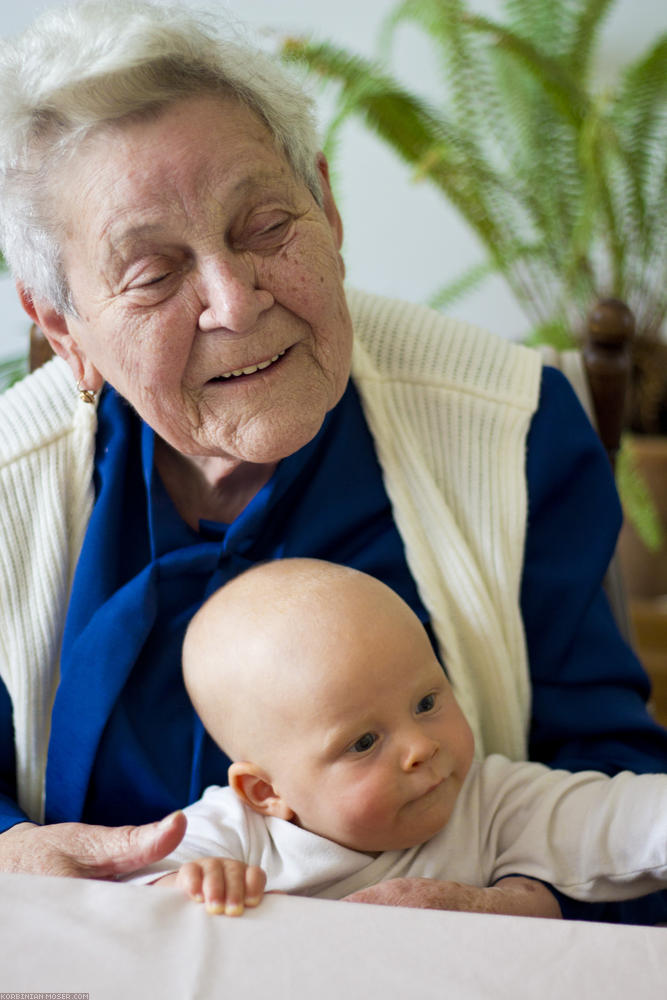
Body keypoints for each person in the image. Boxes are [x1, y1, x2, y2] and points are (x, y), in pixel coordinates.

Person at [0, 0, 664, 923]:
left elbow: (623, 796)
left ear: (327, 204)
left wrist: (530, 910)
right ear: (64, 328)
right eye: (153, 275)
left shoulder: (508, 427)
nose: (234, 302)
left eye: (265, 224)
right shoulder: (7, 488)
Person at [130, 559, 667, 918]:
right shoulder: (236, 838)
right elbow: (105, 909)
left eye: (428, 702)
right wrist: (186, 887)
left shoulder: (492, 804)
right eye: (364, 742)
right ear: (266, 793)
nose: (422, 747)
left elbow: (632, 820)